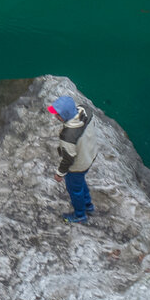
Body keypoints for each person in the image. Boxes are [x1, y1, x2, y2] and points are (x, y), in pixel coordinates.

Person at [47, 94, 99, 223]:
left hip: (78, 166)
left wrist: (59, 174)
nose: (55, 116)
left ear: (64, 115)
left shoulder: (68, 136)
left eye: (58, 114)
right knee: (80, 183)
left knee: (74, 190)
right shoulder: (86, 111)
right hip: (90, 155)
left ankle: (80, 216)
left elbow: (68, 159)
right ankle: (89, 206)